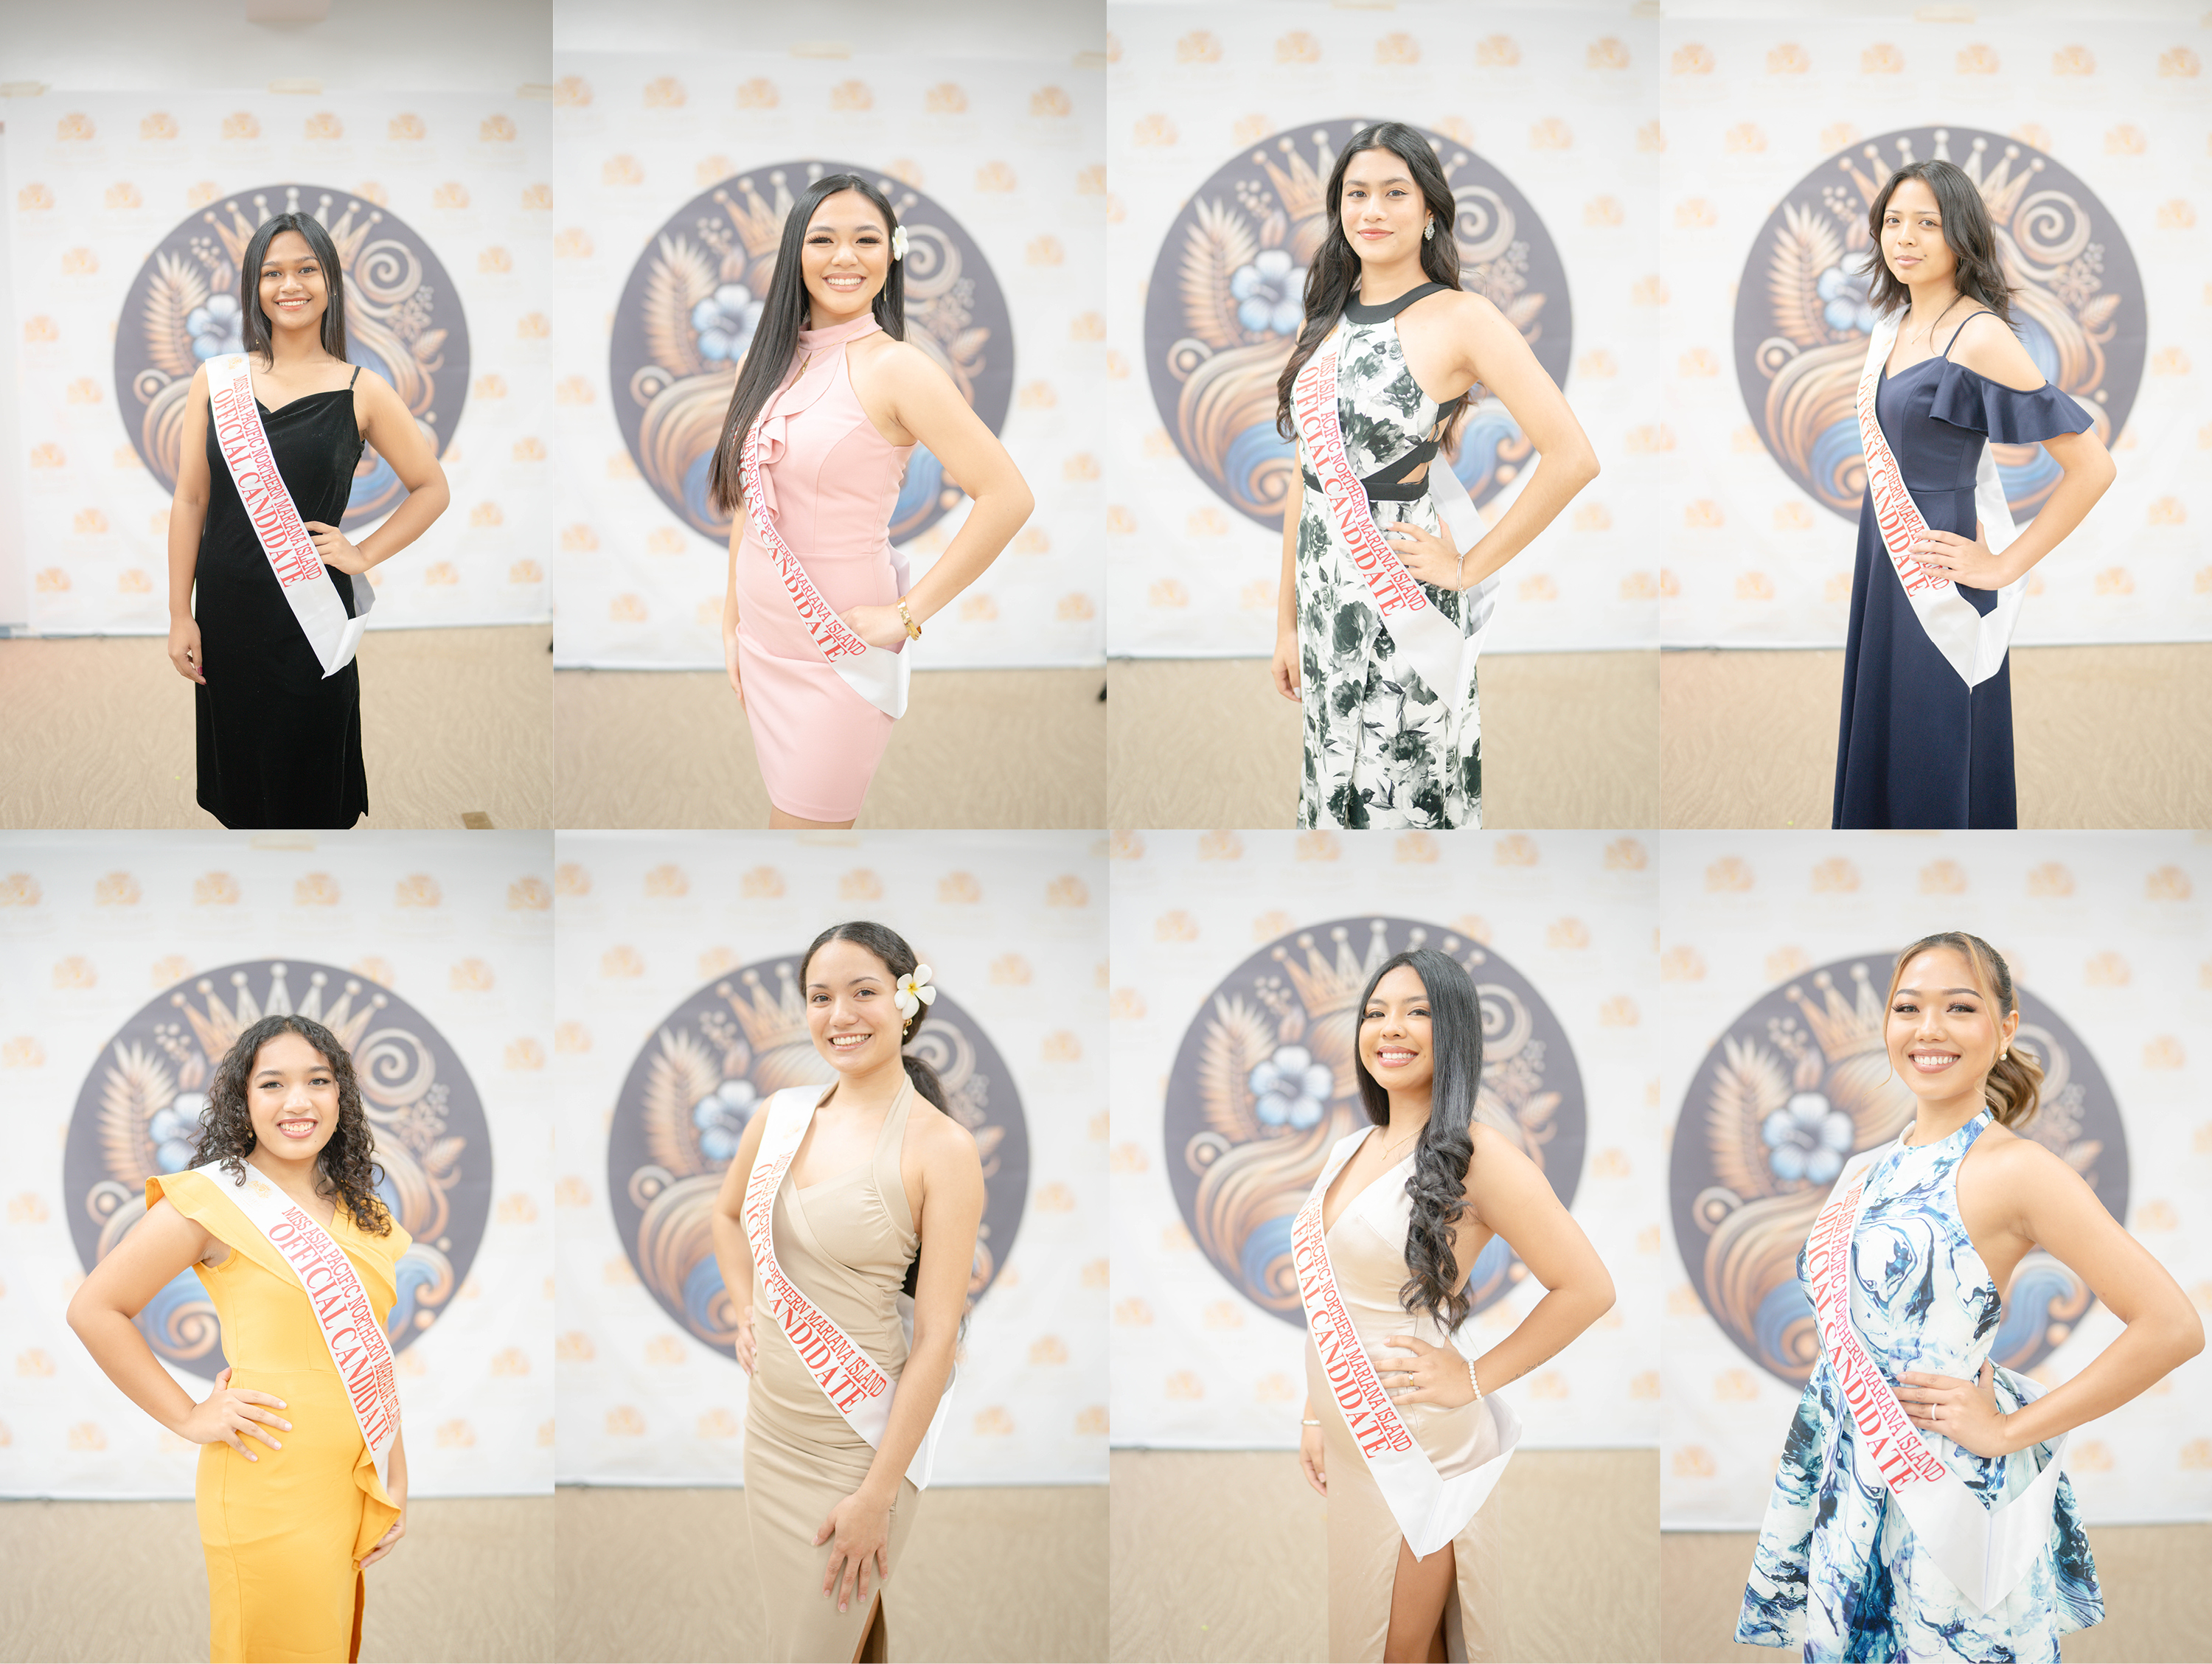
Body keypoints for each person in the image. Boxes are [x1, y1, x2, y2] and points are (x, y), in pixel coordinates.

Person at [1735, 932, 2203, 1658]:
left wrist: (2011, 1429)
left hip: (1943, 1498)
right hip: (1852, 1488)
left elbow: (2172, 1326)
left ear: (2005, 1027)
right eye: (1907, 1007)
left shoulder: (2019, 1170)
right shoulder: (1865, 1168)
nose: (1929, 1029)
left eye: (1959, 1006)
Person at [1269, 122, 1599, 831]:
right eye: (1356, 193)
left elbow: (1573, 455)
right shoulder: (1323, 316)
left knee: (1403, 785)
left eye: (1395, 192)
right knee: (1334, 784)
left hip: (1401, 598)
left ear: (1429, 213)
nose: (1373, 211)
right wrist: (1287, 623)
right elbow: (1307, 478)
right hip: (1326, 600)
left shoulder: (1463, 318)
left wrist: (1468, 565)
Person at [1296, 950, 1614, 1661]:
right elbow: (1329, 1304)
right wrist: (1316, 1412)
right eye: (1375, 1012)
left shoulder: (1478, 1153)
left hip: (1417, 1444)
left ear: (1457, 1032)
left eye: (1417, 1011)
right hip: (1350, 1438)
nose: (1390, 1027)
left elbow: (1589, 1287)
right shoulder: (1350, 1149)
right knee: (1403, 1640)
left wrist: (1472, 1378)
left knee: (1395, 1652)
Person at [66, 1014, 411, 1663]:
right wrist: (190, 1414)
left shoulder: (366, 1213)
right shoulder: (212, 1201)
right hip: (266, 1476)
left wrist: (395, 1469)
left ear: (342, 1096)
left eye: (318, 1080)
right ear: (244, 1101)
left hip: (348, 1474)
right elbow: (95, 1308)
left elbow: (372, 1352)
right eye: (273, 1083)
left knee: (328, 1643)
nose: (299, 1101)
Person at [712, 175, 1034, 829]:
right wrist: (730, 622)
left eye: (866, 239)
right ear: (795, 254)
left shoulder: (899, 370)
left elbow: (1007, 497)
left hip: (839, 657)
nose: (844, 257)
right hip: (765, 643)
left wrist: (907, 616)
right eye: (823, 238)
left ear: (892, 255)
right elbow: (752, 497)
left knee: (800, 837)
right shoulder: (771, 357)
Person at [711, 922, 987, 1660]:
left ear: (906, 999)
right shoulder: (779, 1117)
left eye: (864, 992)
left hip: (860, 1444)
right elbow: (725, 1214)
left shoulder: (942, 1150)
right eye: (820, 996)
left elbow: (938, 1339)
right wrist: (747, 1306)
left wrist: (877, 1496)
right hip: (770, 1429)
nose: (841, 1015)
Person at [1833, 161, 2115, 828]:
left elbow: (2093, 468)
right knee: (1888, 724)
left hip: (1937, 569)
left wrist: (2004, 564)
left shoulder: (1980, 335)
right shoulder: (1892, 327)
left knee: (1935, 741)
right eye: (1893, 221)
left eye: (1927, 223)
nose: (1905, 237)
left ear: (1961, 235)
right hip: (1884, 559)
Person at [164, 211, 451, 829]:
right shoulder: (215, 382)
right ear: (254, 288)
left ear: (331, 283)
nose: (289, 285)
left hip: (312, 611)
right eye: (272, 273)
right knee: (242, 787)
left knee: (313, 782)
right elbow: (190, 500)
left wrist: (365, 553)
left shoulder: (362, 389)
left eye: (305, 269)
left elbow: (432, 487)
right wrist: (179, 614)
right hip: (228, 614)